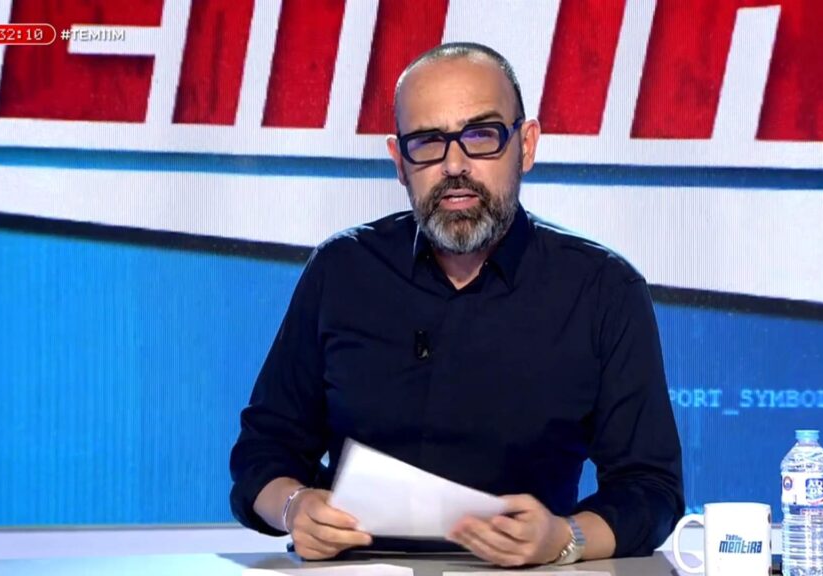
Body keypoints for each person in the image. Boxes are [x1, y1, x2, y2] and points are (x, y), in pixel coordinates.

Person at [229, 42, 684, 566]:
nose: (454, 164)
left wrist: (564, 538)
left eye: (481, 136)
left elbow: (650, 489)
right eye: (427, 142)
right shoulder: (342, 271)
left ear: (526, 145)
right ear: (400, 163)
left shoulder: (602, 288)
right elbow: (263, 453)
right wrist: (294, 508)